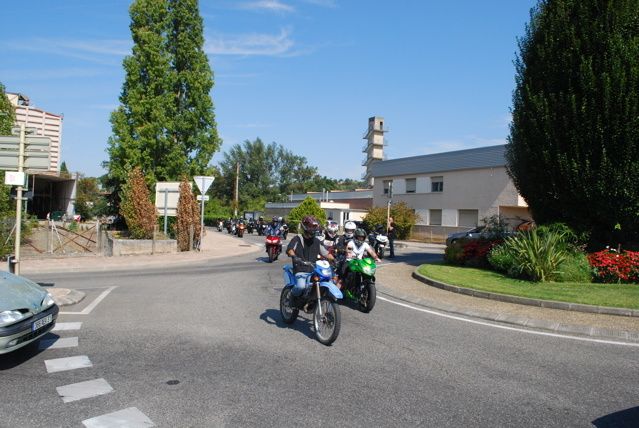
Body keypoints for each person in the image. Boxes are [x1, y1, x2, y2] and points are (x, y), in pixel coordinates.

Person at [286, 215, 333, 298]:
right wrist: (294, 257)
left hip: (314, 270)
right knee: (301, 286)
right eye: (310, 226)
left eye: (314, 226)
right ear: (305, 226)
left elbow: (326, 253)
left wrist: (335, 260)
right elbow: (290, 249)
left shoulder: (317, 241)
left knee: (329, 282)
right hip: (301, 269)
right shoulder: (298, 238)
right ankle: (290, 297)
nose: (313, 228)